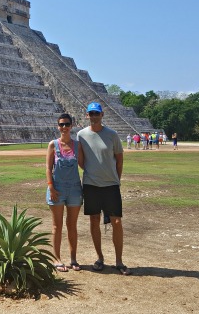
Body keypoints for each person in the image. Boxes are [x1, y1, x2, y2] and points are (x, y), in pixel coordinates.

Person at [77, 102, 131, 275]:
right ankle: (100, 258)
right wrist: (93, 172)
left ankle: (119, 261)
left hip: (111, 185)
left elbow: (120, 160)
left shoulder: (112, 135)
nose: (94, 116)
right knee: (94, 220)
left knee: (116, 222)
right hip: (91, 185)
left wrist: (115, 178)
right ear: (87, 115)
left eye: (97, 113)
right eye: (91, 114)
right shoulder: (81, 135)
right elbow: (81, 160)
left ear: (102, 115)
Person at [46, 113, 83, 272]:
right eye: (61, 125)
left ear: (71, 126)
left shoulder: (77, 145)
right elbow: (48, 168)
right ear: (58, 126)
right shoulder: (53, 145)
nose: (64, 127)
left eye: (67, 124)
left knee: (72, 225)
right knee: (57, 225)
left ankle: (73, 259)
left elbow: (83, 165)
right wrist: (51, 186)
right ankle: (56, 259)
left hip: (75, 188)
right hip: (57, 188)